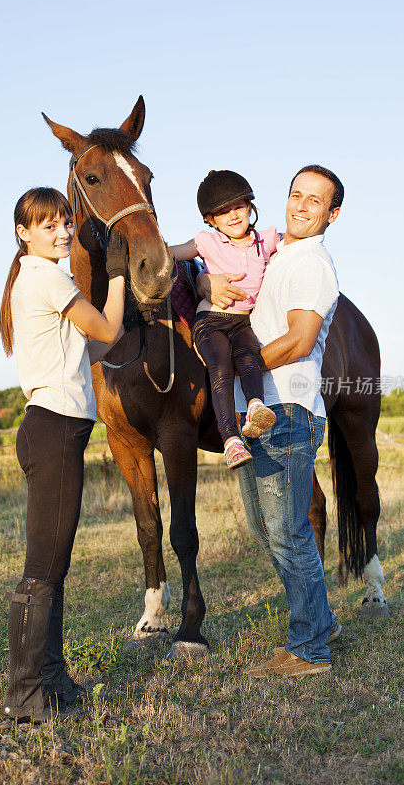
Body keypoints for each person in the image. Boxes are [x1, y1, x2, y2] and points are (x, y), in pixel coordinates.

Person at [198, 165, 343, 677]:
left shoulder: (314, 265)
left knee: (289, 532)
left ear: (333, 214)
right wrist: (205, 278)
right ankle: (319, 621)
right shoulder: (277, 252)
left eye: (315, 201)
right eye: (295, 194)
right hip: (257, 412)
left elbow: (301, 341)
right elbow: (219, 260)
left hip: (286, 409)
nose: (301, 206)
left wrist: (245, 364)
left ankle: (309, 649)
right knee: (268, 528)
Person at [0, 187, 127, 720]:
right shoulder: (45, 274)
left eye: (65, 222)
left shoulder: (43, 278)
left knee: (55, 567)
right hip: (53, 428)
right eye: (48, 225)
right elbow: (109, 326)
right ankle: (27, 695)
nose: (62, 232)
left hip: (59, 429)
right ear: (24, 233)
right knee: (41, 571)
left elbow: (95, 345)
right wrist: (117, 274)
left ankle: (52, 681)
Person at [169, 170, 277, 469]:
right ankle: (231, 440)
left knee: (250, 357)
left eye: (238, 207)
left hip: (243, 322)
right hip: (212, 320)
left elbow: (291, 246)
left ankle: (256, 406)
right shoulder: (207, 242)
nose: (232, 215)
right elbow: (172, 253)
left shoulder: (264, 240)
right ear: (211, 220)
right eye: (222, 212)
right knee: (221, 367)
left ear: (250, 207)